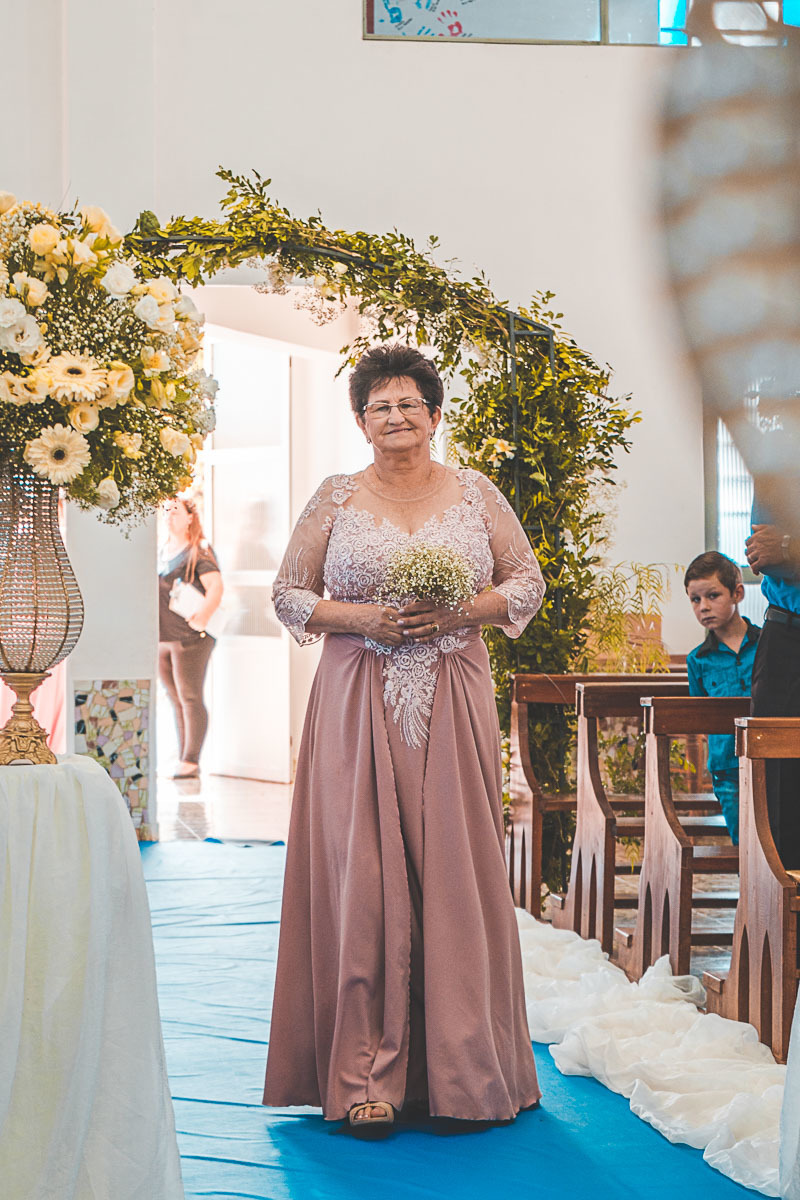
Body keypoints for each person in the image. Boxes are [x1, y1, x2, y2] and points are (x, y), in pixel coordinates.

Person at [263, 343, 544, 1131]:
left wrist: (460, 611)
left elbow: (526, 582)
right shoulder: (334, 496)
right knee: (363, 873)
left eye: (408, 404)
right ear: (361, 422)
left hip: (453, 692)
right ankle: (365, 1076)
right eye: (379, 406)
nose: (395, 417)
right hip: (357, 696)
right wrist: (364, 618)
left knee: (457, 870)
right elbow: (288, 594)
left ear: (434, 415)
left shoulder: (476, 491)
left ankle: (463, 1070)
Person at [684, 551, 760, 844]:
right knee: (744, 845)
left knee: (781, 844)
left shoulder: (767, 646)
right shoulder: (698, 660)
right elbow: (702, 718)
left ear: (737, 593)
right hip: (727, 769)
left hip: (771, 761)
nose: (704, 606)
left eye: (713, 595)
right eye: (695, 599)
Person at [745, 473, 800, 865]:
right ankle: (785, 897)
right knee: (777, 784)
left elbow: (780, 550)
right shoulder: (779, 466)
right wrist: (783, 550)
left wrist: (789, 546)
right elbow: (763, 554)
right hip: (786, 638)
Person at [158, 497, 224, 780]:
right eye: (165, 510)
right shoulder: (161, 552)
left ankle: (191, 761)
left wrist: (203, 616)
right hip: (163, 638)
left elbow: (216, 587)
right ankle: (183, 756)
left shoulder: (199, 550)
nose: (168, 514)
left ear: (189, 517)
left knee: (190, 696)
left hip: (191, 638)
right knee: (175, 698)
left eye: (175, 510)